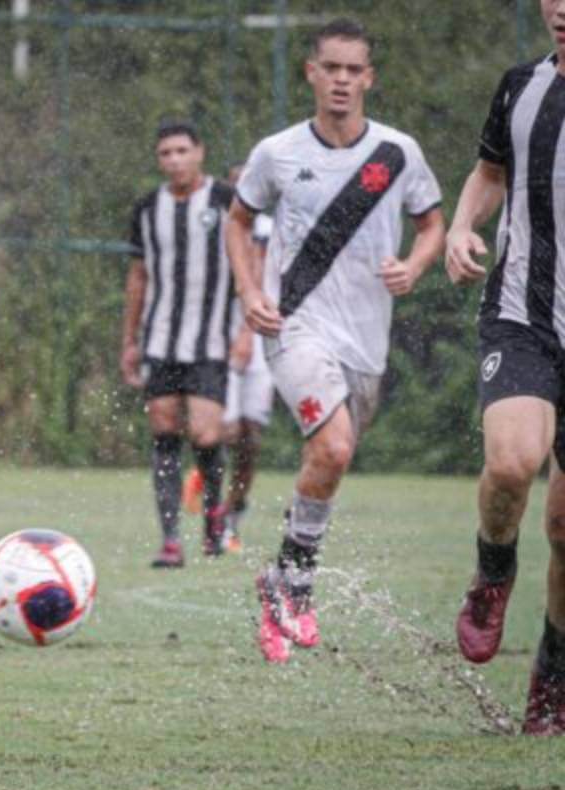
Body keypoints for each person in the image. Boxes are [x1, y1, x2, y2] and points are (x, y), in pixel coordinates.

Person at [226, 19, 445, 664]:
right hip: (293, 327)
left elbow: (431, 223)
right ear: (311, 74)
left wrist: (417, 263)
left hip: (365, 344)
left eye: (355, 70)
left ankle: (278, 579)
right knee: (335, 444)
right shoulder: (279, 153)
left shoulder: (397, 153)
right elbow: (239, 222)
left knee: (331, 459)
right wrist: (249, 292)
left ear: (369, 78)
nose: (343, 81)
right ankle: (298, 584)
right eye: (332, 69)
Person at [446, 0, 565, 736]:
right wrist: (463, 224)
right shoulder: (521, 87)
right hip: (524, 313)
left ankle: (553, 673)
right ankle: (493, 571)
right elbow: (490, 171)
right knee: (515, 462)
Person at [121, 120, 235, 568]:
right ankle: (170, 539)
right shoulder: (148, 208)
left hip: (210, 341)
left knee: (206, 434)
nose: (174, 160)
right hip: (160, 340)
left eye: (181, 151)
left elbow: (253, 259)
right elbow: (138, 277)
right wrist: (129, 340)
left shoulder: (226, 201)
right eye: (165, 153)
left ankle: (213, 516)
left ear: (199, 152)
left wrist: (247, 330)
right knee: (164, 432)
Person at [220, 163, 276, 554]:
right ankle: (213, 507)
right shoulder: (219, 228)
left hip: (261, 338)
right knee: (219, 431)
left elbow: (260, 278)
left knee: (249, 435)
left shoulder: (272, 229)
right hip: (213, 336)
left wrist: (247, 333)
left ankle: (234, 511)